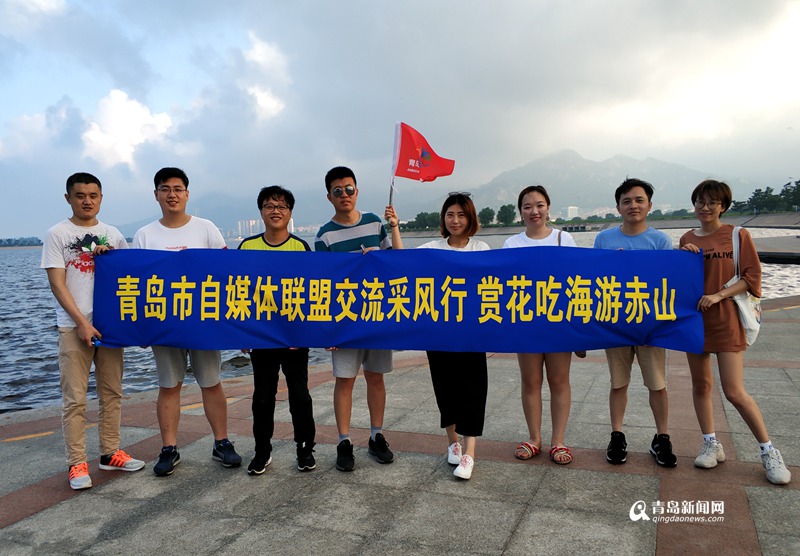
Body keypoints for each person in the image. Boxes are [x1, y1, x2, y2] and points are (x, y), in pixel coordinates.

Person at [680, 179, 791, 485]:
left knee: (734, 391)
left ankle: (769, 451)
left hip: (726, 318)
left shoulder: (737, 235)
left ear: (723, 206)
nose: (705, 207)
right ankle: (711, 444)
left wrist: (718, 295)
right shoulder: (687, 238)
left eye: (712, 202)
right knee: (701, 385)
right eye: (700, 201)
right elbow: (680, 280)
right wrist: (684, 255)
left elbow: (752, 276)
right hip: (695, 320)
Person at [132, 167, 242, 476]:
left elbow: (226, 272)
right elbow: (134, 282)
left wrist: (229, 322)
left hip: (204, 322)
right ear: (156, 195)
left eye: (178, 189)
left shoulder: (206, 229)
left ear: (187, 194)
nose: (172, 194)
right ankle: (169, 448)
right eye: (165, 189)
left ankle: (221, 442)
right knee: (169, 386)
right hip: (164, 323)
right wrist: (140, 328)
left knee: (211, 382)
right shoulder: (144, 235)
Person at [41, 172, 145, 490]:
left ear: (101, 198)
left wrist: (135, 326)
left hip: (110, 327)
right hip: (73, 327)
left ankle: (110, 453)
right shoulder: (57, 234)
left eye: (93, 195)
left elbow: (129, 278)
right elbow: (57, 284)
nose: (87, 201)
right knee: (75, 399)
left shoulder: (112, 234)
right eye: (80, 195)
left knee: (112, 393)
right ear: (68, 198)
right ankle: (76, 463)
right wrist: (82, 323)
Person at [314, 166, 402, 471]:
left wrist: (394, 228)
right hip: (344, 319)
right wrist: (327, 328)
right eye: (337, 191)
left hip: (376, 315)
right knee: (345, 380)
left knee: (376, 377)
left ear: (357, 191)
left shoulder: (375, 223)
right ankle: (344, 441)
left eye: (349, 189)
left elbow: (397, 263)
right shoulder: (324, 235)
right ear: (329, 197)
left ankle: (377, 436)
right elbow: (322, 283)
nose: (344, 195)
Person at [593, 178, 677, 468]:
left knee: (657, 384)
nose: (633, 205)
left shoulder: (660, 241)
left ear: (649, 205)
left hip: (650, 326)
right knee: (618, 384)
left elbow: (669, 282)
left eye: (639, 200)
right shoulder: (604, 239)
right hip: (616, 323)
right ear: (618, 207)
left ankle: (662, 437)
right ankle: (617, 436)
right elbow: (593, 280)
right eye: (626, 201)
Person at [238, 186, 316, 475]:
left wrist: (303, 333)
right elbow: (239, 291)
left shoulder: (301, 247)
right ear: (261, 211)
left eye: (282, 206)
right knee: (262, 396)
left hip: (294, 337)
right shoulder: (247, 247)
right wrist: (243, 332)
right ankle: (262, 450)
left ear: (290, 212)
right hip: (262, 336)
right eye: (269, 206)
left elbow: (311, 293)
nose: (275, 211)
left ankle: (305, 449)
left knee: (300, 395)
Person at [416, 192, 490, 480]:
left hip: (472, 333)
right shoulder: (432, 247)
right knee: (445, 389)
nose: (455, 220)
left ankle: (470, 454)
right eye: (450, 214)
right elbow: (403, 261)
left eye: (461, 214)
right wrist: (394, 228)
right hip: (439, 332)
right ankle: (453, 444)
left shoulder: (481, 248)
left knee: (473, 390)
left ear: (470, 218)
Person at [502, 185, 576, 465]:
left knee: (559, 381)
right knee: (531, 381)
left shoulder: (563, 238)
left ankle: (558, 441)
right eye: (528, 206)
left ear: (548, 208)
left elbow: (578, 280)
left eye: (540, 205)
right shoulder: (512, 244)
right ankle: (534, 438)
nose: (534, 211)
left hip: (558, 322)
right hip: (526, 323)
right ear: (520, 212)